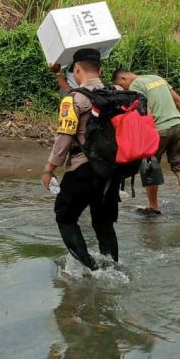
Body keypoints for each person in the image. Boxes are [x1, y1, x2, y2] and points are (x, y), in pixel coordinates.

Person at [42, 49, 120, 271]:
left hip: (83, 168)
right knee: (103, 223)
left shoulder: (73, 99)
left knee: (64, 217)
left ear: (77, 69)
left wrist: (49, 169)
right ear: (100, 69)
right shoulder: (116, 92)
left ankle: (90, 270)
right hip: (113, 170)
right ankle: (112, 269)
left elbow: (64, 137)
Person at [112, 69, 180, 219]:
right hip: (179, 126)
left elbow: (145, 111)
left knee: (149, 167)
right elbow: (179, 101)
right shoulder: (157, 78)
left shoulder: (135, 86)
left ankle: (153, 206)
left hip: (158, 130)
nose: (125, 90)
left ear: (123, 78)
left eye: (122, 86)